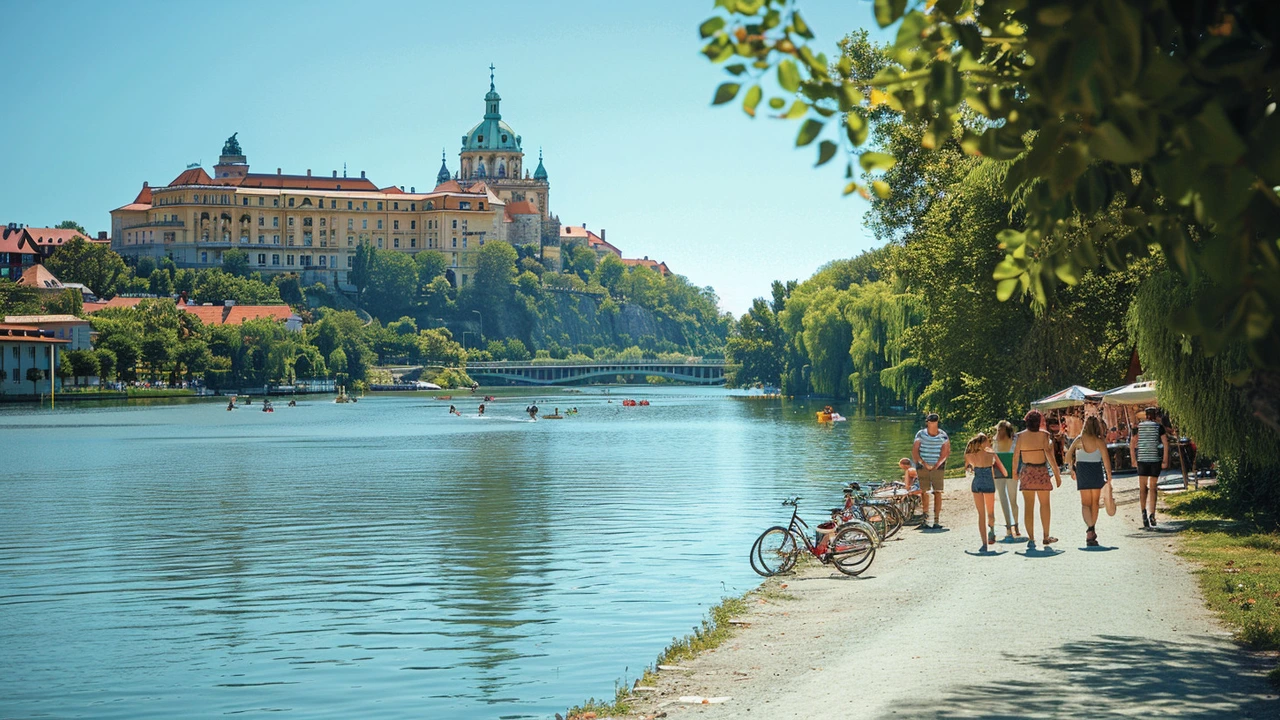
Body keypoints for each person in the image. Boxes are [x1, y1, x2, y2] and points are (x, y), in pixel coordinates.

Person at [1012, 410, 1064, 549]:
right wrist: (1057, 474)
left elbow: (1016, 455)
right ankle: (1046, 536)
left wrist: (1014, 473)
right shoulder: (1044, 436)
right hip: (1041, 471)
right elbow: (1050, 456)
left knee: (1028, 506)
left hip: (1027, 471)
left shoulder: (1020, 436)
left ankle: (1031, 538)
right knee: (1045, 504)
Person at [1068, 416, 1112, 546]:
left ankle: (1090, 529)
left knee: (1085, 503)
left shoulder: (1079, 440)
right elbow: (1106, 461)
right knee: (1094, 503)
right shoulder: (1099, 442)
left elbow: (1067, 455)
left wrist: (1072, 468)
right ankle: (1092, 530)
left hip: (1083, 471)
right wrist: (1109, 476)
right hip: (1096, 471)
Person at [964, 432, 1007, 552]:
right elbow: (1004, 471)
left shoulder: (969, 455)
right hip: (988, 483)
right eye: (987, 441)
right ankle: (992, 531)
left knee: (981, 515)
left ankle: (984, 544)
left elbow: (966, 468)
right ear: (984, 442)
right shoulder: (991, 454)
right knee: (990, 512)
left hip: (976, 483)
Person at [1129, 407, 1169, 528]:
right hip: (1154, 459)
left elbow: (1132, 443)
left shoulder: (1139, 427)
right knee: (1153, 487)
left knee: (1142, 488)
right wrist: (1165, 460)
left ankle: (1143, 512)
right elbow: (1166, 443)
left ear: (1145, 415)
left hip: (1142, 459)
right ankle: (1152, 513)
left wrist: (1133, 459)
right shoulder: (1159, 427)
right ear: (1155, 415)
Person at [912, 413, 951, 529]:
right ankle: (925, 519)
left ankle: (936, 520)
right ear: (927, 422)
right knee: (924, 492)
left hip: (938, 467)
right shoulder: (920, 434)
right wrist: (923, 463)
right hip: (923, 466)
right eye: (931, 420)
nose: (933, 422)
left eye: (935, 420)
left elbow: (946, 452)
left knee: (938, 491)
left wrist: (936, 464)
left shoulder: (943, 435)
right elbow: (915, 451)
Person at [991, 420, 1021, 539]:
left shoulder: (1015, 440)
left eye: (1000, 429)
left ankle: (1016, 524)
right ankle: (1009, 526)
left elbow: (1018, 455)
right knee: (1003, 499)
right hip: (998, 471)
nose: (998, 432)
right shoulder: (995, 441)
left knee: (1013, 499)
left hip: (1011, 470)